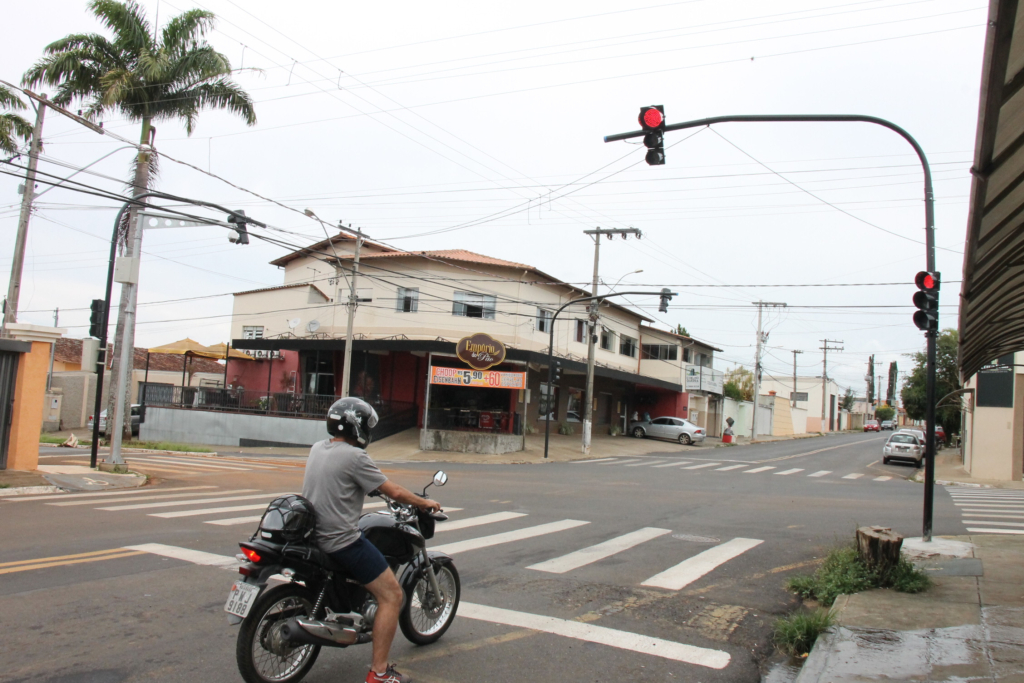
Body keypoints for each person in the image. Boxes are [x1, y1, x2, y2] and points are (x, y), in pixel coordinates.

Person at [302, 397, 440, 683]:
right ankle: (379, 673)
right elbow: (396, 492)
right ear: (358, 428)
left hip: (312, 537)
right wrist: (424, 503)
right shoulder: (356, 458)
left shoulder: (318, 448)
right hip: (341, 542)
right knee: (393, 595)